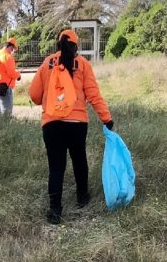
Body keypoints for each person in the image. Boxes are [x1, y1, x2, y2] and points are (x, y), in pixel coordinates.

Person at [29, 29, 113, 225]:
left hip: (51, 123)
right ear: (76, 46)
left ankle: (55, 211)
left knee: (56, 167)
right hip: (77, 124)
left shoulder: (48, 63)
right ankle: (82, 198)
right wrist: (106, 119)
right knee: (79, 159)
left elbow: (34, 94)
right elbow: (93, 95)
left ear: (58, 45)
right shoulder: (83, 64)